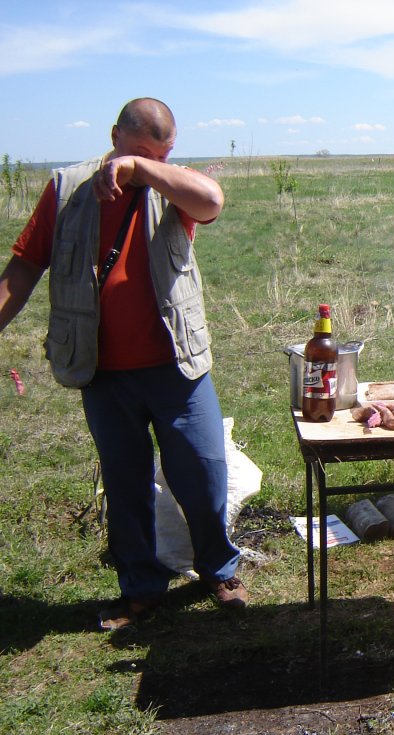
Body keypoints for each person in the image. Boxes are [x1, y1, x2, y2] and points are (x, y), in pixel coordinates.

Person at [0, 97, 248, 630]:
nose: (143, 161)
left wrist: (144, 169)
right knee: (125, 481)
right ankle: (141, 591)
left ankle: (220, 571)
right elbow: (22, 269)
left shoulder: (172, 183)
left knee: (203, 472)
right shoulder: (67, 188)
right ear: (114, 135)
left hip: (177, 365)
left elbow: (210, 202)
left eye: (159, 152)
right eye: (135, 150)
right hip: (102, 369)